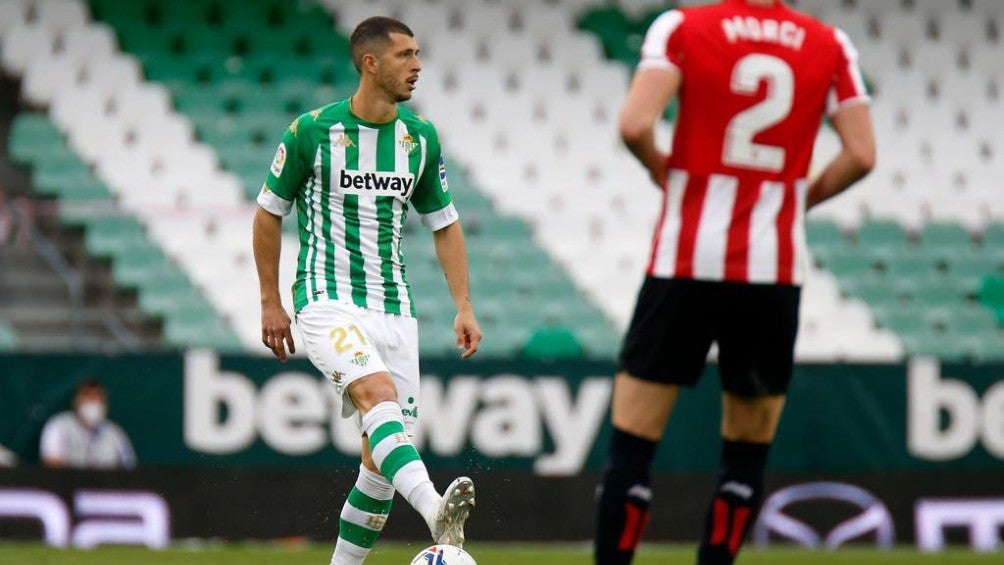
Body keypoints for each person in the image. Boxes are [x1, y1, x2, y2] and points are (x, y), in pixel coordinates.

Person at [593, 1, 875, 564]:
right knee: (745, 454)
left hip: (686, 259)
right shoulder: (829, 43)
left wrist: (658, 167)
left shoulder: (684, 27)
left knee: (633, 444)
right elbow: (862, 154)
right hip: (773, 268)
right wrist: (800, 198)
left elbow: (634, 123)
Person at [251, 16, 482, 565]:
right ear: (370, 63)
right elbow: (267, 216)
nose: (418, 65)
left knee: (379, 467)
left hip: (396, 310)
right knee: (376, 395)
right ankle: (433, 511)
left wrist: (464, 305)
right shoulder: (310, 132)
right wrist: (270, 300)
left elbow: (444, 223)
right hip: (325, 298)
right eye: (405, 55)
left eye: (418, 53)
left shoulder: (419, 139)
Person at [39, 379, 136, 469]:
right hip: (67, 484)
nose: (93, 400)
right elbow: (51, 463)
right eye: (87, 395)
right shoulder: (58, 425)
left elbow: (129, 468)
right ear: (76, 400)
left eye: (97, 396)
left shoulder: (114, 433)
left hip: (106, 485)